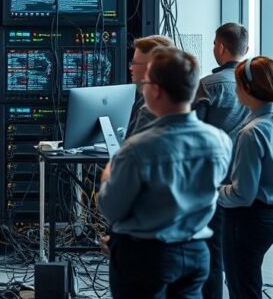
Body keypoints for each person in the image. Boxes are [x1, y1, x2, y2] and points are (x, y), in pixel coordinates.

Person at [98, 47, 232, 299]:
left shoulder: (138, 149)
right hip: (196, 252)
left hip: (144, 256)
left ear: (156, 90)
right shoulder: (220, 141)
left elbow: (111, 208)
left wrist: (108, 173)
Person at [218, 56, 273, 298]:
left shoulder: (251, 133)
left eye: (237, 84)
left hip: (245, 220)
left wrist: (212, 191)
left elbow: (242, 194)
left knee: (242, 289)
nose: (235, 90)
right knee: (249, 284)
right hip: (270, 217)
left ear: (248, 88)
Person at [195, 23, 250, 299]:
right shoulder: (258, 84)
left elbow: (192, 133)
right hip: (247, 183)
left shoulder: (209, 85)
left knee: (213, 254)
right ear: (247, 50)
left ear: (219, 47)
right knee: (242, 264)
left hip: (214, 183)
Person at [124, 35, 175, 138]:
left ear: (151, 66)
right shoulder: (174, 98)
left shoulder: (150, 109)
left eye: (134, 63)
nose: (130, 67)